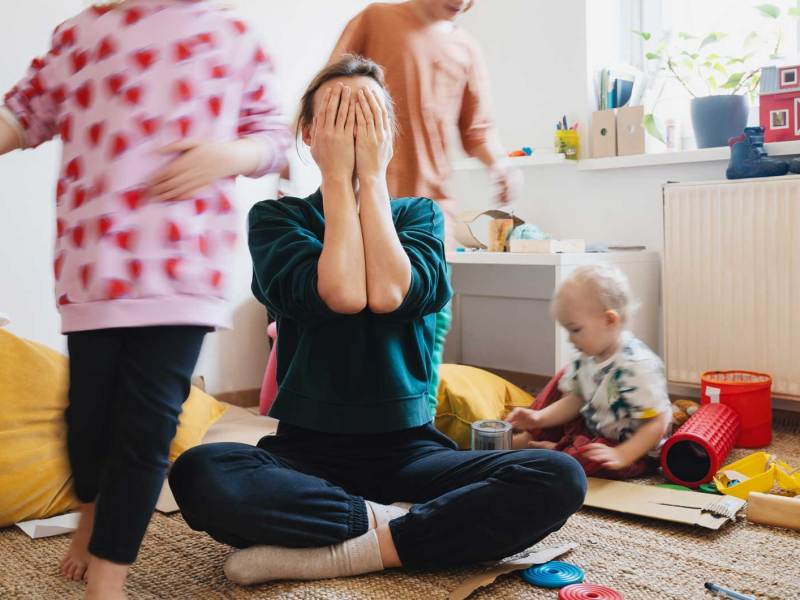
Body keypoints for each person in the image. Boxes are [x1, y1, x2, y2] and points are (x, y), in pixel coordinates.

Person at [169, 55, 585, 586]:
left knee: (557, 476)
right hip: (304, 452)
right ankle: (402, 528)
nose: (354, 132)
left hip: (410, 452)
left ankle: (356, 545)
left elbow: (389, 293)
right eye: (340, 118)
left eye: (367, 119)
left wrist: (370, 175)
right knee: (201, 474)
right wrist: (339, 179)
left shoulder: (420, 216)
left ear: (388, 135)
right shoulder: (277, 219)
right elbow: (342, 293)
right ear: (309, 133)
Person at [0, 1, 290, 597]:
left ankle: (110, 576)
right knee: (86, 424)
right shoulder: (83, 32)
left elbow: (274, 138)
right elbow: (24, 115)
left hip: (185, 272)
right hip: (94, 271)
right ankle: (91, 512)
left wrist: (227, 155)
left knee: (146, 427)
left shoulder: (232, 35)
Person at [284, 0, 520, 416]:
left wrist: (499, 164)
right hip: (354, 205)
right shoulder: (377, 18)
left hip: (428, 211)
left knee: (427, 330)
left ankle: (420, 423)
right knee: (346, 322)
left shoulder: (466, 50)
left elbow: (477, 129)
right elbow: (328, 90)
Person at [508, 265, 672, 479]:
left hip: (632, 447)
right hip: (594, 425)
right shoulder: (586, 356)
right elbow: (575, 399)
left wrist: (622, 454)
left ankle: (556, 452)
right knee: (563, 379)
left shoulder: (636, 366)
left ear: (609, 320)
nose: (570, 339)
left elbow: (657, 422)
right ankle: (532, 438)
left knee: (586, 460)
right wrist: (539, 418)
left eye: (575, 330)